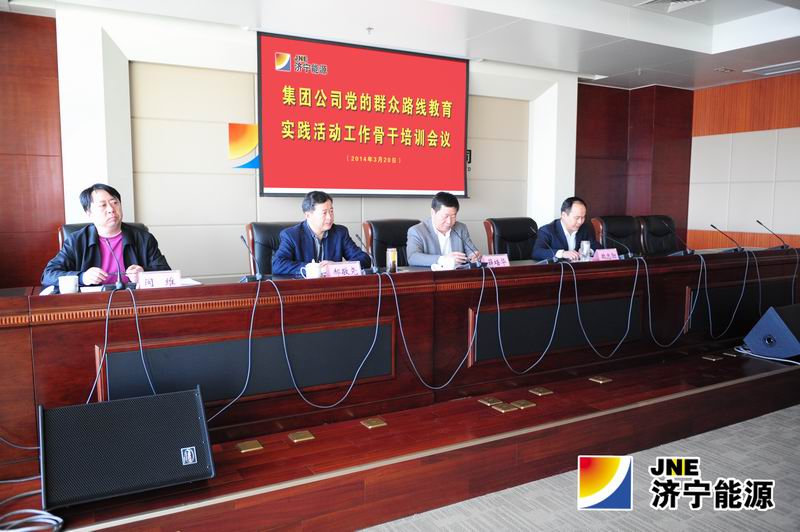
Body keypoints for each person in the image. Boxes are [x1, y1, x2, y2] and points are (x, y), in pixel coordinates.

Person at [41, 183, 171, 287]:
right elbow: (48, 275)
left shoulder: (143, 238)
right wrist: (82, 277)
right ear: (89, 213)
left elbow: (166, 273)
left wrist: (143, 274)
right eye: (102, 205)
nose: (111, 209)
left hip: (134, 301)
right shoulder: (76, 241)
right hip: (93, 304)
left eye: (115, 203)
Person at [272, 190, 370, 275]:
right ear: (308, 215)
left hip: (333, 287)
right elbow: (277, 265)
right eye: (324, 213)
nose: (329, 217)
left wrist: (337, 266)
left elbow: (364, 259)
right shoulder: (291, 235)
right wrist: (315, 268)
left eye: (331, 211)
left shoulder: (340, 233)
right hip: (303, 287)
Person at [407, 191, 482, 267]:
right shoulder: (417, 231)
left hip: (458, 273)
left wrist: (473, 256)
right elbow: (412, 257)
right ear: (433, 212)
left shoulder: (461, 228)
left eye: (453, 216)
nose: (449, 221)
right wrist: (442, 259)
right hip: (432, 274)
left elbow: (471, 251)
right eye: (445, 216)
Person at [532, 196, 598, 262]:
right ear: (564, 215)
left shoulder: (585, 228)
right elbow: (537, 252)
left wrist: (588, 251)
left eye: (583, 217)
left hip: (579, 267)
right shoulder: (547, 230)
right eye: (577, 218)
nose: (580, 222)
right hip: (557, 268)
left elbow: (597, 246)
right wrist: (562, 254)